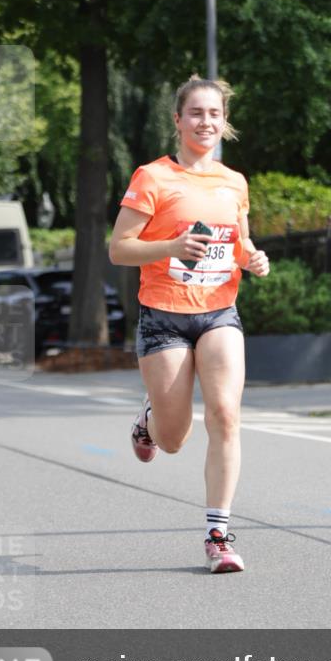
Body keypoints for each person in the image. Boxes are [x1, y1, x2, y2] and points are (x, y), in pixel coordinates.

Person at [109, 75, 269, 573]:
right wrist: (171, 247)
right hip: (164, 317)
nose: (206, 122)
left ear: (225, 122)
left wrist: (253, 258)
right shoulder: (152, 177)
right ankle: (150, 422)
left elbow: (237, 241)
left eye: (215, 114)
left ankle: (218, 535)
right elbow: (119, 249)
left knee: (224, 415)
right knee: (175, 437)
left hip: (220, 313)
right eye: (196, 113)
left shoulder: (233, 181)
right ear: (177, 120)